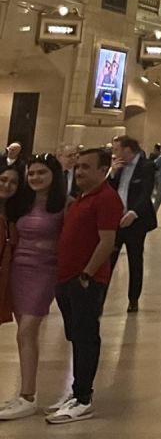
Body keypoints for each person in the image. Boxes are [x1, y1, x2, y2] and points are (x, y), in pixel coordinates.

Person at [47, 148, 122, 423]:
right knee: (75, 336)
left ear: (103, 170)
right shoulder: (81, 199)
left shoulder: (106, 199)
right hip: (66, 279)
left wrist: (87, 275)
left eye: (86, 167)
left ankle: (83, 397)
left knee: (86, 338)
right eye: (77, 167)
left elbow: (107, 241)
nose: (79, 172)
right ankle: (76, 391)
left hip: (85, 281)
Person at [0, 157, 66, 421]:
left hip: (45, 272)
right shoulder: (22, 203)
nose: (36, 177)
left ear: (54, 175)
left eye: (42, 173)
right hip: (17, 271)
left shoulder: (63, 204)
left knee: (27, 330)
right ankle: (24, 393)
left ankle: (29, 396)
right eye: (32, 173)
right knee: (24, 334)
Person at [107, 136, 156, 313]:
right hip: (116, 220)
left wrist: (133, 213)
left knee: (135, 259)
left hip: (135, 220)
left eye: (117, 149)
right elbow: (108, 190)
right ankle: (99, 296)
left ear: (128, 150)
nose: (114, 153)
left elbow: (146, 193)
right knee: (108, 258)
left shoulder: (146, 166)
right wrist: (112, 174)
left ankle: (133, 298)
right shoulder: (117, 167)